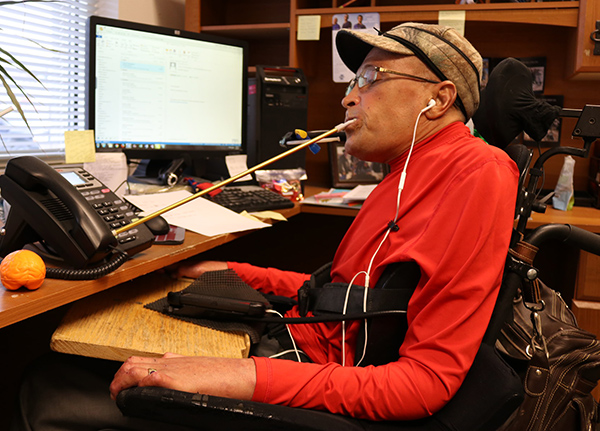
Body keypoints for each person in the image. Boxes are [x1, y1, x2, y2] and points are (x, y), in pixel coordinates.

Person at [11, 22, 518, 429]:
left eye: (369, 79)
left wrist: (235, 375)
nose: (348, 98)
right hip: (301, 342)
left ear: (440, 97)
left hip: (314, 376)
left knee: (49, 379)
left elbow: (423, 385)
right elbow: (351, 298)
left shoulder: (478, 175)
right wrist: (242, 271)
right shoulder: (406, 172)